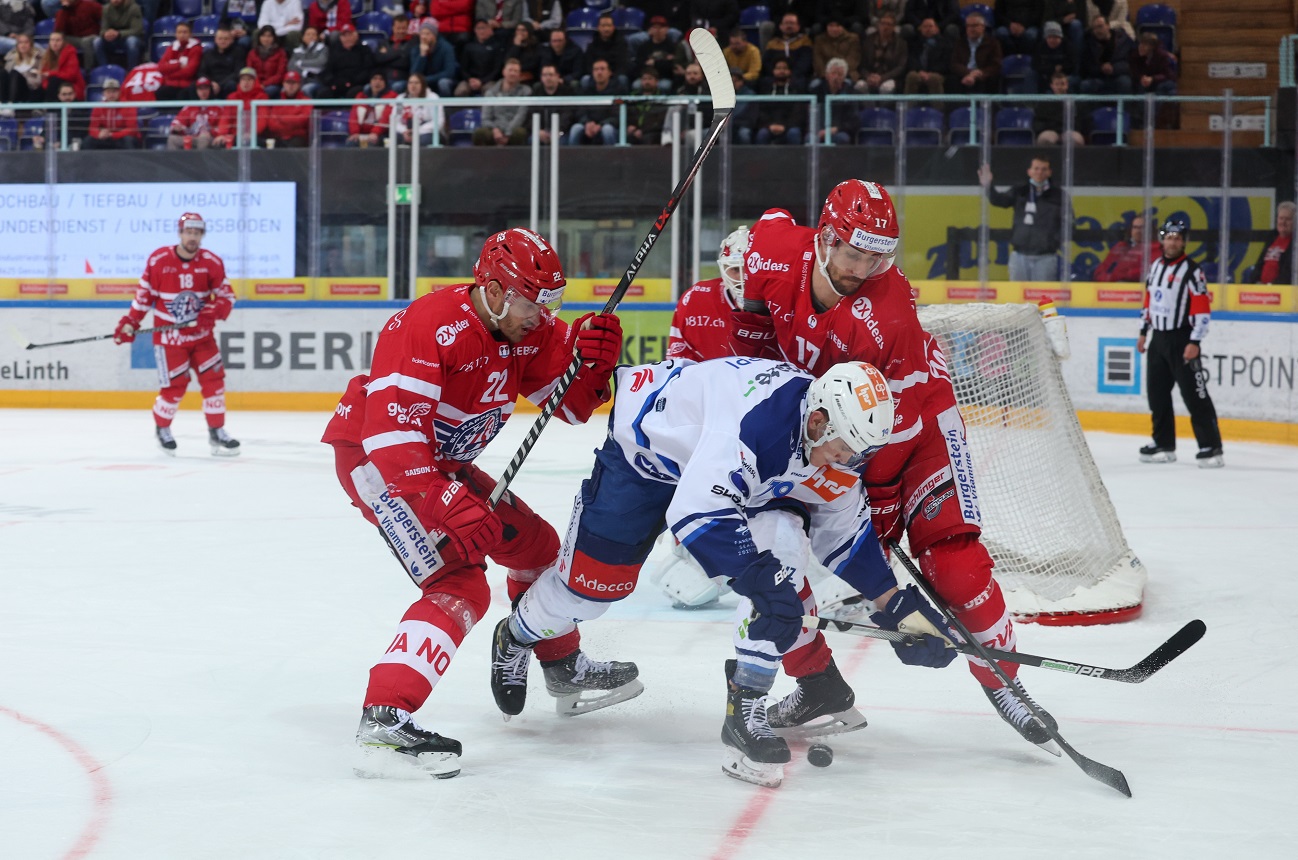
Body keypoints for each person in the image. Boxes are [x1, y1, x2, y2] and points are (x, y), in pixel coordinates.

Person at [492, 357, 957, 787]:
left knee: (783, 553)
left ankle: (746, 708)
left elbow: (842, 537)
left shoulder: (830, 442)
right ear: (818, 421)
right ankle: (517, 633)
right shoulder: (757, 427)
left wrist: (894, 605)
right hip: (646, 457)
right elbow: (698, 514)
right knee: (591, 592)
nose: (850, 462)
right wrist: (759, 579)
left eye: (860, 453)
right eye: (847, 449)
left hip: (731, 475)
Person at [729, 179, 1061, 750]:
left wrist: (876, 512)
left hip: (917, 427)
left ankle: (1006, 683)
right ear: (827, 238)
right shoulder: (774, 249)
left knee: (953, 567)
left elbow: (892, 429)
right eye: (855, 253)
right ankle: (818, 683)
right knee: (776, 557)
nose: (865, 267)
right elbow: (766, 237)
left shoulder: (886, 316)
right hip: (833, 434)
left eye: (879, 255)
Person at [320, 227, 626, 778]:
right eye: (535, 302)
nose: (544, 315)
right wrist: (443, 502)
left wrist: (593, 363)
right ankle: (386, 715)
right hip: (379, 465)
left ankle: (563, 666)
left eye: (551, 302)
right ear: (494, 288)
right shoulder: (427, 326)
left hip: (442, 466)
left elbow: (575, 407)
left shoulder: (527, 329)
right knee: (459, 584)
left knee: (536, 547)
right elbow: (391, 437)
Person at [112, 213, 240, 457]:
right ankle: (162, 429)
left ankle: (217, 431)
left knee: (214, 383)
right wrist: (130, 322)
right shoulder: (159, 260)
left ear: (202, 235)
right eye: (188, 232)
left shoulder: (211, 262)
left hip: (202, 337)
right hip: (171, 340)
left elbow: (226, 296)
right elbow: (144, 297)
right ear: (180, 233)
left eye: (197, 233)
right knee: (174, 387)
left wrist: (210, 312)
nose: (192, 237)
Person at [1137, 217, 1224, 468]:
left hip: (1182, 338)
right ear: (1162, 240)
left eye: (1177, 238)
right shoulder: (1155, 267)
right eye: (1169, 237)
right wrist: (1144, 331)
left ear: (1184, 241)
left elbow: (1202, 309)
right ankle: (1163, 443)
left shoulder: (1192, 271)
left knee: (1194, 395)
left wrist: (1195, 340)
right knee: (1158, 394)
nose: (1173, 241)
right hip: (1158, 338)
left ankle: (1211, 446)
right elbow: (1149, 301)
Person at [978, 156, 1067, 282]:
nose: (1039, 172)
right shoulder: (1020, 191)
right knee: (1017, 297)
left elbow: (1069, 223)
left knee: (1044, 298)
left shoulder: (1059, 195)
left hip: (1046, 256)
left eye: (1044, 169)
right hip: (1020, 255)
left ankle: (1044, 303)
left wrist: (1054, 241)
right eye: (1036, 169)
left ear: (1049, 172)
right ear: (1029, 171)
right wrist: (988, 186)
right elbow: (999, 201)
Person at [471, 55, 529, 146]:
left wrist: (507, 133)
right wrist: (495, 130)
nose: (513, 73)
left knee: (520, 133)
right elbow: (485, 118)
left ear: (519, 75)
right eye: (510, 70)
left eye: (516, 71)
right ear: (504, 72)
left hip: (513, 129)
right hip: (495, 129)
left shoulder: (525, 91)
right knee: (480, 133)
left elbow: (521, 116)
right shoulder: (491, 92)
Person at [1094, 212, 1159, 282]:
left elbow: (1150, 271)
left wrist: (1124, 275)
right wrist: (1108, 279)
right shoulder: (1122, 247)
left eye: (1142, 228)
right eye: (1135, 227)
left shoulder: (1157, 248)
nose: (1138, 231)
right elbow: (1101, 270)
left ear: (1149, 230)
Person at [948, 10, 1000, 95]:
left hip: (982, 75)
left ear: (983, 27)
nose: (971, 29)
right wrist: (969, 73)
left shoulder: (993, 43)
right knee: (951, 80)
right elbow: (954, 63)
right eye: (968, 26)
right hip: (964, 74)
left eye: (975, 25)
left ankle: (987, 107)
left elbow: (995, 65)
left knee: (992, 79)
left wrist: (978, 74)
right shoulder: (960, 42)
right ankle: (955, 108)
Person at [1078, 14, 1131, 96]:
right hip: (1098, 77)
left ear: (1108, 26)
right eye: (1094, 28)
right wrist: (1101, 68)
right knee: (1086, 85)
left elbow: (1130, 62)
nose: (1097, 30)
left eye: (1100, 26)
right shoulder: (1088, 43)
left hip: (1117, 75)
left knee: (1125, 82)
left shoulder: (1123, 41)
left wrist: (1114, 69)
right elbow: (1086, 65)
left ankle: (1123, 109)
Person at [1245, 201, 1295, 285]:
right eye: (1281, 218)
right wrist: (1256, 281)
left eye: (1288, 219)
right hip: (1263, 290)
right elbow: (1260, 263)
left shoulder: (1295, 243)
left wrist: (1272, 285)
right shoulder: (1272, 237)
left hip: (1282, 291)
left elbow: (1289, 273)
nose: (1283, 222)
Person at [856, 11, 906, 94]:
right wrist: (868, 76)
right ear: (878, 25)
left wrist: (882, 78)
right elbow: (861, 65)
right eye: (883, 23)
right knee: (860, 85)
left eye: (888, 24)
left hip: (889, 77)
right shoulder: (868, 41)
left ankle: (884, 108)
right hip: (870, 76)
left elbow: (900, 67)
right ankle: (869, 107)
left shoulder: (901, 43)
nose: (885, 27)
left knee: (886, 88)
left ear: (894, 27)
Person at [83, 77, 139, 148]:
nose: (111, 94)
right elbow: (92, 128)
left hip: (120, 138)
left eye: (114, 91)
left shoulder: (129, 106)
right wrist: (99, 134)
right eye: (108, 92)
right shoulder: (98, 107)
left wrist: (113, 135)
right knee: (88, 141)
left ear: (119, 92)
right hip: (105, 138)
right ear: (104, 93)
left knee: (128, 140)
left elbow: (132, 130)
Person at [167, 76, 221, 148]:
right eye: (200, 89)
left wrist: (211, 132)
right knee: (172, 139)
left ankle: (200, 160)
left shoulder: (218, 107)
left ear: (210, 90)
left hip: (210, 138)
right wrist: (177, 127)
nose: (203, 92)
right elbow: (177, 122)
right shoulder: (189, 107)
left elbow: (223, 127)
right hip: (192, 137)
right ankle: (174, 160)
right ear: (196, 91)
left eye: (206, 88)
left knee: (203, 138)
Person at [389, 71, 441, 146]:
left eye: (416, 83)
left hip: (426, 131)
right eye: (410, 83)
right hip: (406, 130)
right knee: (393, 138)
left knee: (423, 140)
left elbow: (439, 122)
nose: (413, 86)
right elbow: (395, 120)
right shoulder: (401, 99)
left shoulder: (433, 98)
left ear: (423, 85)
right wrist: (404, 131)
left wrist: (417, 131)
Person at [453, 18, 501, 96]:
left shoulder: (496, 47)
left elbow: (496, 69)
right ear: (475, 30)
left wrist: (482, 81)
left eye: (484, 28)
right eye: (478, 28)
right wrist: (469, 79)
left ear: (490, 29)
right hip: (470, 80)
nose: (481, 31)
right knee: (460, 91)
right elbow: (463, 68)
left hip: (488, 81)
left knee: (490, 92)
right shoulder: (468, 47)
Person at [409, 18, 456, 97]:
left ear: (434, 35)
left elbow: (449, 72)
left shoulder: (446, 48)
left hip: (440, 80)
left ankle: (446, 107)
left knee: (443, 83)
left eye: (427, 34)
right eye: (422, 33)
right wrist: (422, 55)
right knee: (401, 85)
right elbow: (414, 74)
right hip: (422, 83)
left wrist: (425, 80)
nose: (424, 37)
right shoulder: (416, 49)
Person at [347, 70, 395, 146]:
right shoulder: (361, 96)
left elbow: (385, 118)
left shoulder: (391, 96)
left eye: (381, 79)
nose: (377, 82)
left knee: (372, 143)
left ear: (385, 83)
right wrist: (355, 133)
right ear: (370, 82)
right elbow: (353, 116)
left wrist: (375, 133)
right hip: (361, 133)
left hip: (381, 134)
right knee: (352, 142)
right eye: (375, 79)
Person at [197, 24, 248, 97]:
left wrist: (220, 85)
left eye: (226, 39)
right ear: (215, 39)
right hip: (211, 84)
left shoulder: (238, 52)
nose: (223, 41)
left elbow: (238, 72)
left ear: (231, 40)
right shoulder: (208, 53)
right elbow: (202, 72)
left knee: (231, 84)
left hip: (228, 83)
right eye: (220, 39)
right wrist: (211, 83)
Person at [92, 0, 143, 72]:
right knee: (97, 42)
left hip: (128, 38)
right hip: (113, 39)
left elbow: (137, 30)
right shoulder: (106, 9)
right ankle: (105, 70)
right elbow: (102, 30)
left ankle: (131, 71)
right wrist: (106, 34)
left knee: (132, 42)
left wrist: (119, 33)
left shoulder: (134, 8)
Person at [156, 20, 201, 100]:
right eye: (179, 32)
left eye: (185, 32)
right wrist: (178, 65)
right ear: (176, 34)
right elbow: (161, 67)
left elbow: (189, 72)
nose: (182, 35)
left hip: (186, 85)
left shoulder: (196, 49)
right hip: (169, 84)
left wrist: (169, 73)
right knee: (160, 92)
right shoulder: (171, 48)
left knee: (183, 94)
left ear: (190, 34)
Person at [264, 69, 311, 146]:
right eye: (288, 82)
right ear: (283, 84)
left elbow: (303, 120)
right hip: (279, 137)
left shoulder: (306, 101)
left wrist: (281, 119)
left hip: (298, 138)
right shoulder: (277, 102)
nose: (290, 86)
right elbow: (271, 124)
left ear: (299, 84)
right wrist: (292, 120)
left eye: (293, 83)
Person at [903, 16, 949, 95]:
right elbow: (911, 59)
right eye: (925, 26)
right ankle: (909, 106)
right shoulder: (914, 43)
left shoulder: (944, 43)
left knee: (934, 79)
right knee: (911, 76)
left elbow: (945, 62)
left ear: (936, 29)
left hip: (937, 73)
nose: (928, 29)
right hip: (919, 72)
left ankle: (938, 107)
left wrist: (930, 73)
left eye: (930, 26)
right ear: (920, 29)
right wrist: (920, 71)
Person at [39, 30, 84, 100]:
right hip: (52, 86)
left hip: (70, 85)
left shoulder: (70, 53)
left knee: (54, 80)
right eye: (52, 40)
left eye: (58, 40)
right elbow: (44, 74)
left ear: (63, 42)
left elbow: (71, 75)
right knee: (36, 88)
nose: (55, 43)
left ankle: (51, 109)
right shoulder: (48, 55)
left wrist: (51, 73)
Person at [2, 31, 43, 106]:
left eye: (26, 42)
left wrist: (25, 76)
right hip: (10, 89)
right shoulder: (11, 59)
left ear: (31, 44)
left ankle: (11, 105)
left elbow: (39, 81)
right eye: (20, 42)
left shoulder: (38, 58)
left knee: (15, 74)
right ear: (17, 45)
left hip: (29, 90)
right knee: (2, 73)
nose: (23, 45)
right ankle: (2, 103)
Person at [288, 23, 327, 96]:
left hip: (316, 81)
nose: (311, 36)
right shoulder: (297, 51)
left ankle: (308, 107)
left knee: (306, 89)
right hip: (298, 81)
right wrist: (305, 72)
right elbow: (291, 66)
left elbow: (320, 63)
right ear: (303, 37)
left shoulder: (322, 48)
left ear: (317, 37)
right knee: (285, 89)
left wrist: (301, 63)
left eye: (313, 34)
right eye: (308, 34)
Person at [249, 25, 287, 98]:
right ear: (259, 37)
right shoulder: (252, 53)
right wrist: (257, 84)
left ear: (274, 38)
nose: (266, 39)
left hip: (273, 84)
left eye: (269, 36)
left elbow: (280, 74)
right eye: (263, 36)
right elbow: (250, 72)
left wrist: (264, 84)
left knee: (269, 90)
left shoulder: (280, 53)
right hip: (255, 83)